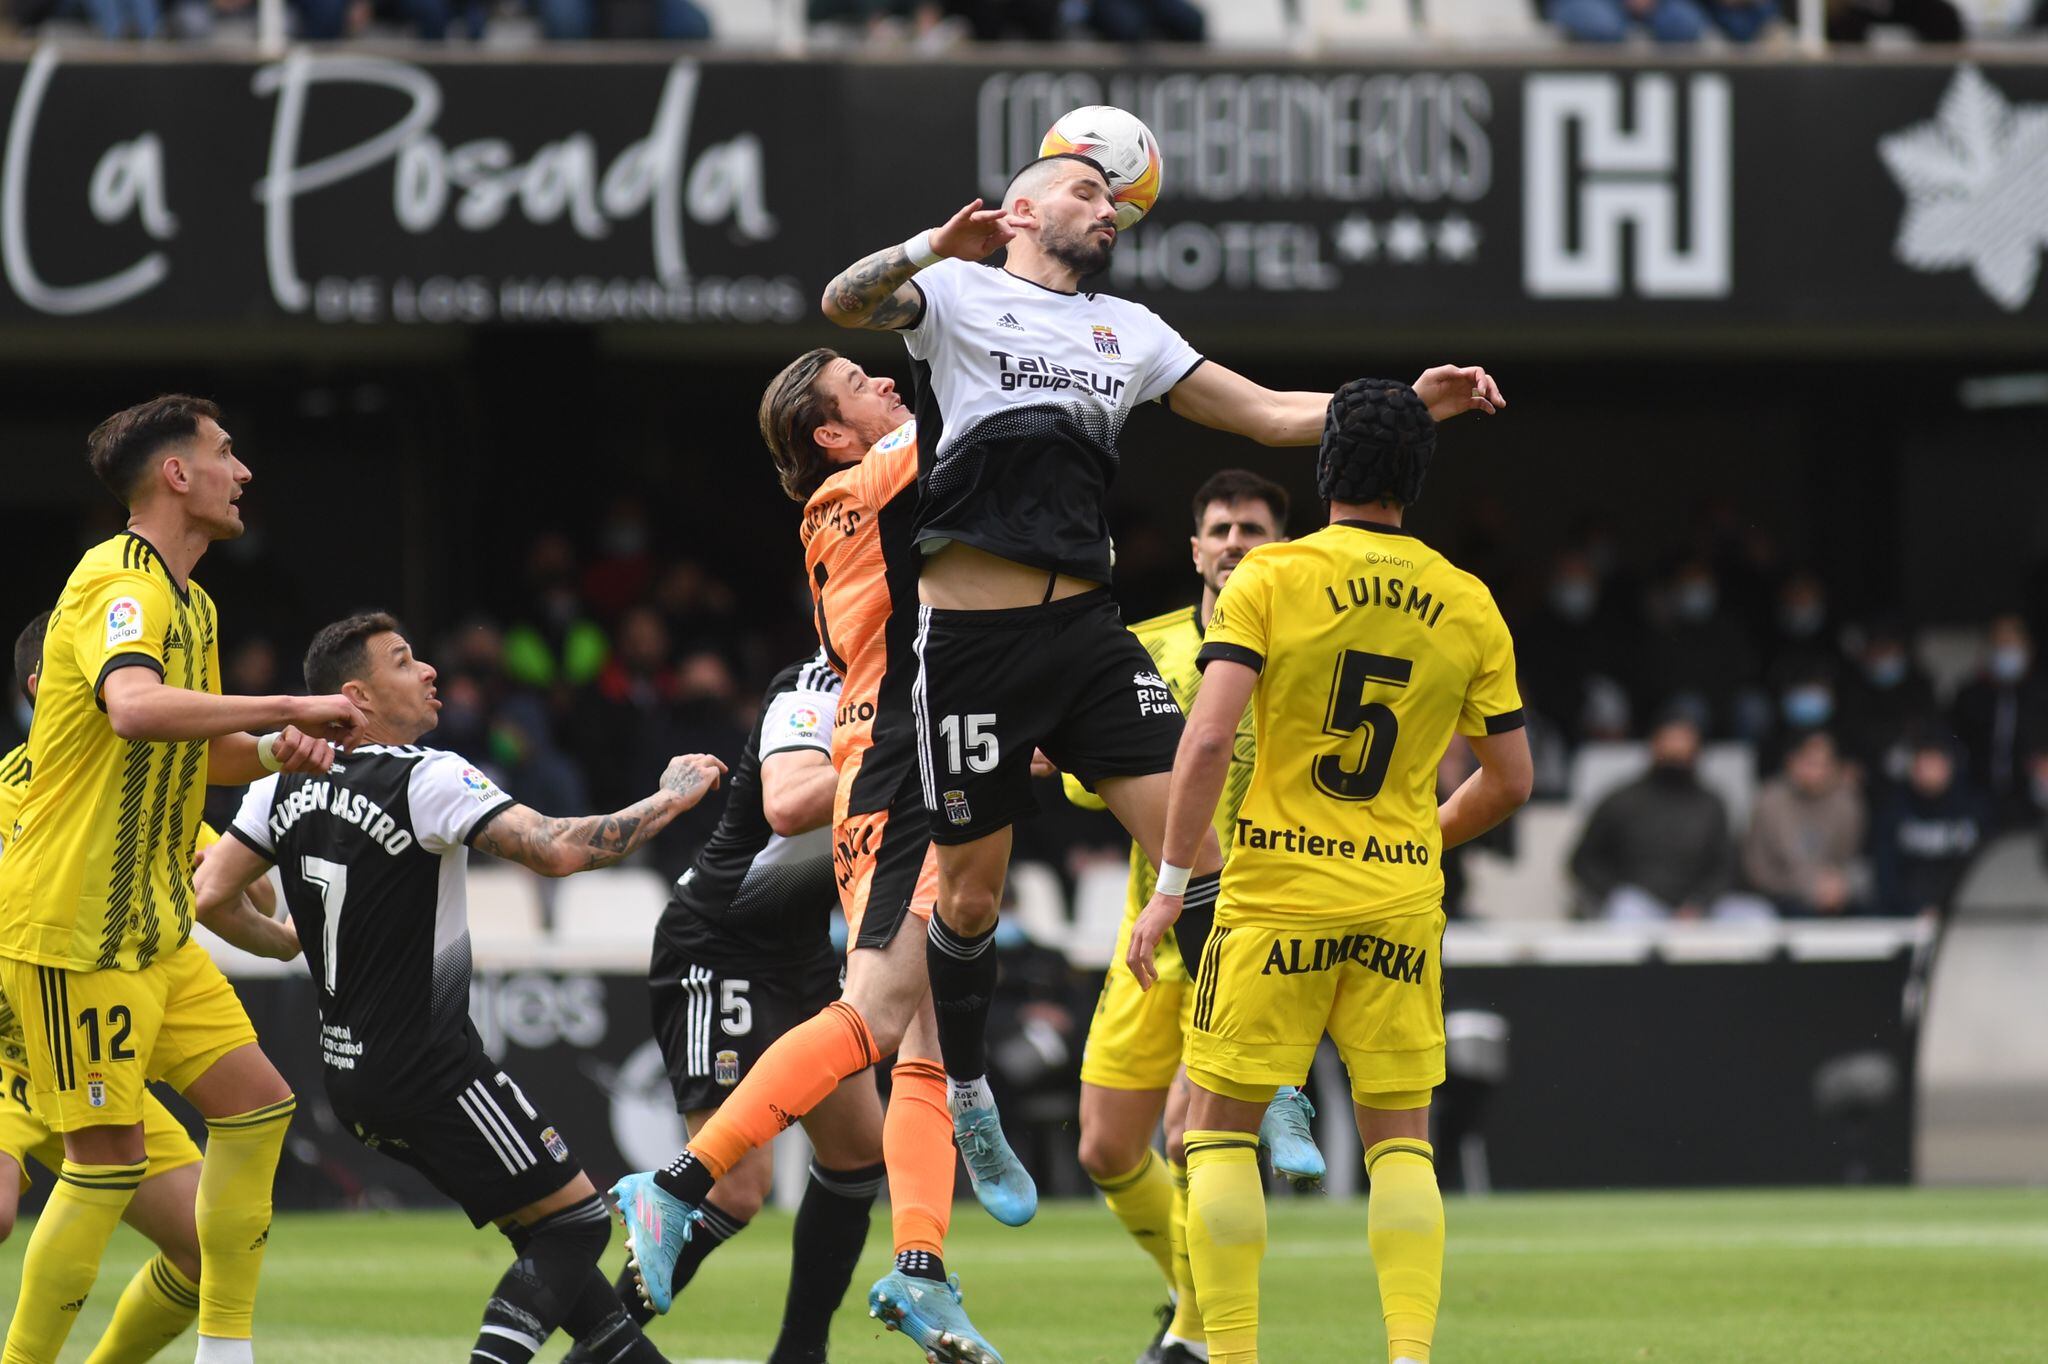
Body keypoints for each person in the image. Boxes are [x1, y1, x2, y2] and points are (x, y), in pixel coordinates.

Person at [812, 156, 1501, 1252]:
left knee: (1211, 852)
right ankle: (974, 1093)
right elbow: (839, 304)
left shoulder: (1128, 330)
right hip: (972, 642)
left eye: (1114, 200)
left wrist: (1400, 408)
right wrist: (927, 249)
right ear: (1024, 211)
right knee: (973, 901)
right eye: (1086, 192)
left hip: (1086, 633)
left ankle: (1262, 1073)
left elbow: (1273, 415)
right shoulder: (952, 294)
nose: (1109, 209)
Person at [1125, 380, 1532, 1364]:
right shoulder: (1467, 601)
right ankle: (1406, 1354)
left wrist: (1171, 884)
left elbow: (1209, 735)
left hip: (1271, 899)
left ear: (1322, 470)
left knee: (1214, 1135)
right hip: (1395, 903)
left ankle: (1229, 1355)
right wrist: (1410, 837)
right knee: (1401, 1142)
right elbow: (1510, 779)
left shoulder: (1271, 577)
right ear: (1417, 478)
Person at [193, 613, 726, 1364]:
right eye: (405, 661)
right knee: (577, 1226)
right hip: (433, 1068)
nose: (430, 672)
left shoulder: (283, 781)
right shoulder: (426, 775)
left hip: (349, 1079)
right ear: (358, 696)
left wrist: (285, 942)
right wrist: (669, 800)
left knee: (549, 1243)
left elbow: (212, 895)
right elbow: (555, 850)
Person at [614, 352, 1005, 1364]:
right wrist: (1003, 312)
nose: (884, 377)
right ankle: (676, 1189)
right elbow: (790, 799)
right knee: (882, 1023)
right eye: (857, 377)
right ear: (827, 433)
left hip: (910, 784)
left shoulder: (893, 527)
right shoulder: (842, 534)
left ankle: (900, 1280)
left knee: (901, 1046)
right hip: (807, 850)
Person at [0, 395, 365, 1364]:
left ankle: (224, 1348)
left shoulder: (193, 603)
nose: (242, 471)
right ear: (175, 474)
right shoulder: (117, 581)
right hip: (76, 926)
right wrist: (291, 696)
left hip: (154, 929)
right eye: (225, 452)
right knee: (105, 1161)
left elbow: (198, 755)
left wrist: (275, 749)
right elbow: (133, 706)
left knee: (259, 1104)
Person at [1061, 470, 1324, 1364]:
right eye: (1221, 528)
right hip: (1151, 935)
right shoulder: (1141, 648)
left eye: (1254, 528)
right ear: (1195, 546)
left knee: (1192, 1135)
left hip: (1253, 937)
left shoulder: (1312, 651)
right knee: (1105, 1148)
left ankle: (1193, 1338)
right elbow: (1088, 772)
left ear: (1280, 546)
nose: (1236, 542)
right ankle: (1192, 1291)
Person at [568, 649, 884, 1364]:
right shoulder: (814, 685)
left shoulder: (910, 686)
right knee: (738, 1189)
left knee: (860, 1151)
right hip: (720, 945)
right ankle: (591, 1358)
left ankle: (800, 1353)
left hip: (802, 955)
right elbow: (790, 804)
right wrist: (907, 752)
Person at [0, 611, 293, 1364]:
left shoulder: (133, 791)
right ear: (47, 689)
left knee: (205, 1249)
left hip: (98, 1044)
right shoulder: (12, 797)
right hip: (14, 1051)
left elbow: (220, 889)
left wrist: (245, 875)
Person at [1568, 708, 1770, 923]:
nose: (1677, 751)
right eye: (1670, 742)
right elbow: (1583, 861)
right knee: (1626, 908)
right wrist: (1614, 891)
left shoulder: (1711, 804)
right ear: (1653, 745)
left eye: (1685, 744)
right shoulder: (1622, 800)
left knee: (1756, 916)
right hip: (1640, 903)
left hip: (1699, 907)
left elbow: (1725, 866)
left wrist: (1699, 903)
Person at [1742, 730, 1868, 917]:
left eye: (1824, 764)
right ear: (1791, 761)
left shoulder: (1848, 803)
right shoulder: (1769, 802)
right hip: (1780, 899)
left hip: (1836, 900)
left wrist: (1841, 885)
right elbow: (1756, 871)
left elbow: (1853, 861)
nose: (1817, 771)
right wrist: (1807, 887)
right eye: (1810, 762)